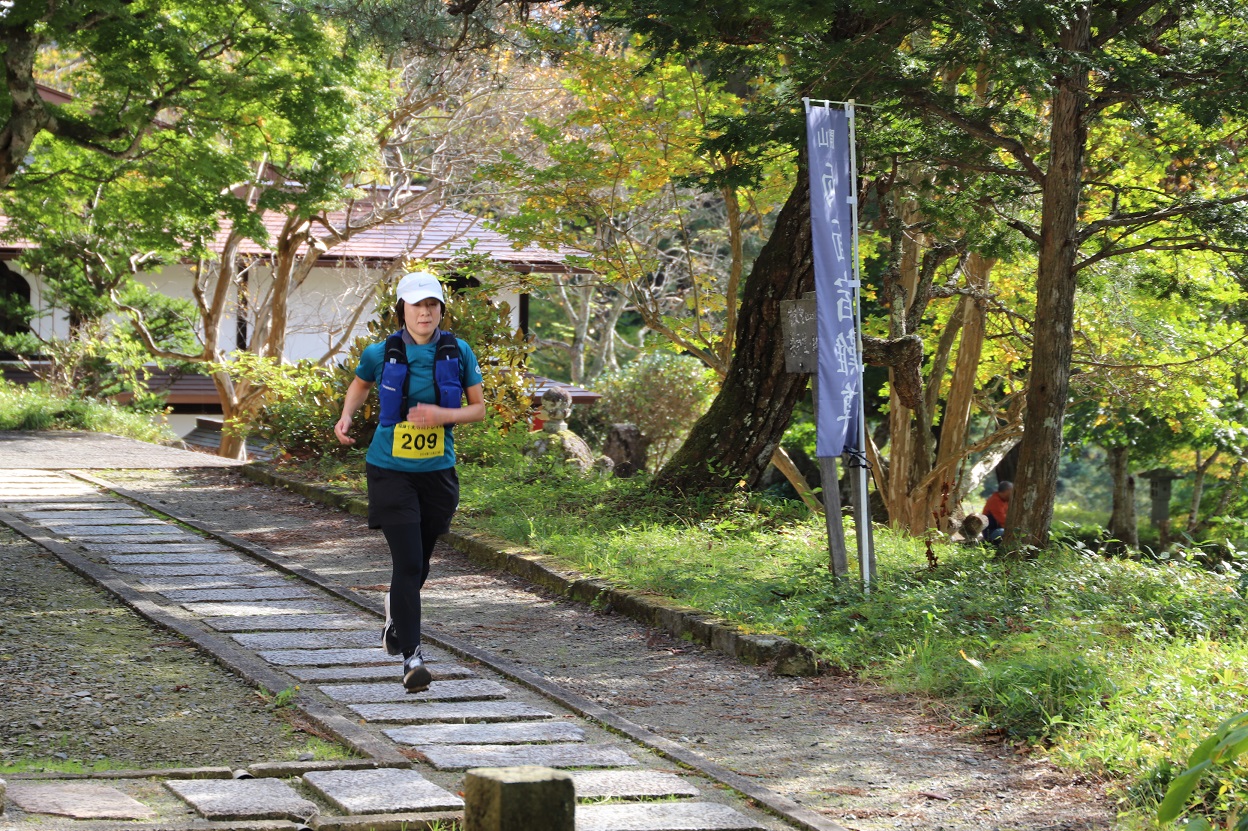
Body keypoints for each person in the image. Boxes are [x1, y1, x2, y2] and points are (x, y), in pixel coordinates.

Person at [334, 271, 485, 692]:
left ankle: (395, 614)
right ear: (401, 308)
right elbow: (360, 384)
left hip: (438, 473)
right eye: (417, 305)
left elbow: (478, 410)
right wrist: (347, 415)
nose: (425, 312)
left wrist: (442, 415)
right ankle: (412, 658)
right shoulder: (379, 352)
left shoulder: (459, 352)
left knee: (422, 560)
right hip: (390, 471)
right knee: (410, 563)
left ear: (441, 309)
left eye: (433, 305)